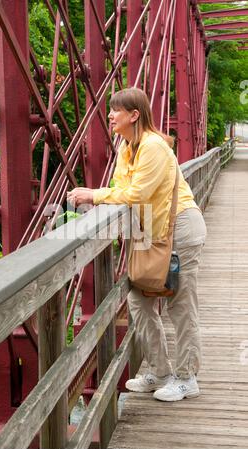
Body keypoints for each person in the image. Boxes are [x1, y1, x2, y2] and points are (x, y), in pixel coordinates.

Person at [67, 87, 207, 402]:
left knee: (180, 305)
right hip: (151, 230)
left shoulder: (154, 147)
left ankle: (187, 378)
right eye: (110, 109)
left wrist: (92, 194)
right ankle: (160, 371)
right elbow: (121, 187)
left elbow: (136, 194)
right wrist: (105, 195)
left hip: (179, 227)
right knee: (139, 302)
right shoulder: (127, 148)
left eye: (116, 110)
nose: (111, 115)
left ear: (134, 114)